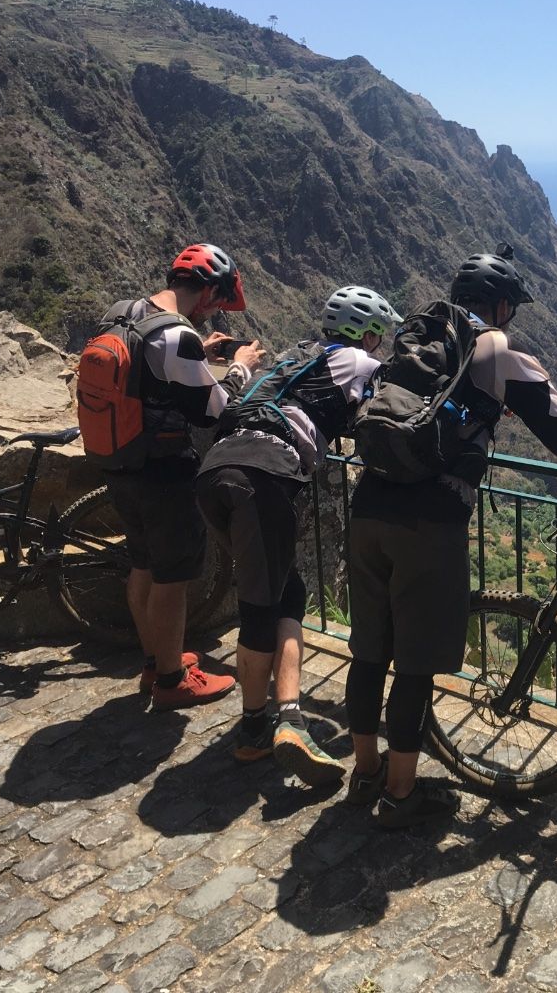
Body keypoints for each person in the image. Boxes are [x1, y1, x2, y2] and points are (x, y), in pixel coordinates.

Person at [345, 247, 557, 827]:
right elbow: (553, 416)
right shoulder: (491, 346)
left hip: (368, 502)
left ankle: (365, 771)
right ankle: (400, 794)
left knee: (371, 649)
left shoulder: (419, 341)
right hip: (431, 517)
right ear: (499, 305)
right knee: (415, 661)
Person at [196, 285, 401, 785]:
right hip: (263, 477)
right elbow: (393, 407)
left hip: (215, 472)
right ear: (366, 333)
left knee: (285, 593)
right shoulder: (358, 361)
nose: (380, 344)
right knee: (263, 609)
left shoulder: (296, 356)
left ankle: (279, 718)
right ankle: (262, 729)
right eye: (379, 334)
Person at [104, 243, 266, 709]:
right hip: (163, 471)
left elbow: (148, 372)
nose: (215, 310)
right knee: (172, 578)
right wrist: (240, 368)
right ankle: (173, 681)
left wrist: (200, 349)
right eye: (217, 301)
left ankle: (155, 660)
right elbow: (212, 411)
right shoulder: (177, 337)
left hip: (120, 461)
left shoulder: (126, 312)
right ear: (211, 291)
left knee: (142, 565)